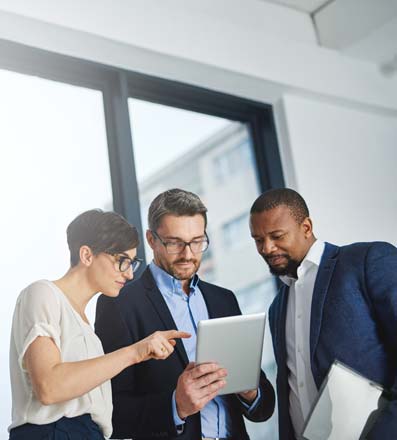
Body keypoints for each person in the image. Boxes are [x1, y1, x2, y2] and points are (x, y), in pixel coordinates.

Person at [95, 188, 275, 440]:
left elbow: (264, 407)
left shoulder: (223, 300)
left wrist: (250, 393)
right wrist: (175, 406)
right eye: (175, 243)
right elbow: (110, 412)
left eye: (197, 242)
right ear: (151, 239)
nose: (188, 254)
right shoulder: (119, 304)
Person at [9, 209, 189, 440]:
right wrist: (135, 352)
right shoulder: (43, 293)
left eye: (132, 263)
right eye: (122, 261)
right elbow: (49, 386)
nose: (130, 274)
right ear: (86, 255)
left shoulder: (88, 331)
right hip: (53, 433)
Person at [249, 187, 397, 440]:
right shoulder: (277, 308)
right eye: (258, 240)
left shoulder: (366, 261)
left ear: (306, 227)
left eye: (276, 236)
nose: (267, 248)